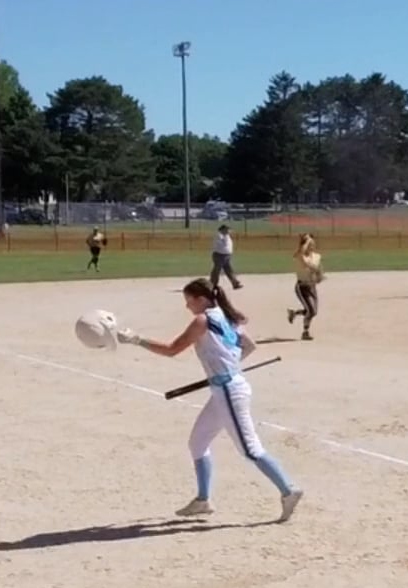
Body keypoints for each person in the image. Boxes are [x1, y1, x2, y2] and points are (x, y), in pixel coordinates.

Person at [117, 279, 304, 522]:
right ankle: (203, 500)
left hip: (228, 391)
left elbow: (172, 349)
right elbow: (249, 346)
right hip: (225, 388)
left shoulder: (202, 320)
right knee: (198, 443)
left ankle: (288, 490)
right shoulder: (227, 316)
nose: (187, 306)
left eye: (189, 301)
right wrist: (227, 366)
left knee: (250, 449)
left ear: (201, 299)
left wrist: (137, 339)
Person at [287, 233, 324, 340]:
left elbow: (319, 269)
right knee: (311, 311)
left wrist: (320, 277)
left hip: (312, 287)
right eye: (309, 243)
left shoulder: (317, 256)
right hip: (302, 287)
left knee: (313, 312)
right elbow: (304, 260)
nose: (311, 245)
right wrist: (306, 241)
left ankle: (294, 313)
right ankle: (305, 333)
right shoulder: (300, 255)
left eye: (312, 243)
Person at [210, 224, 243, 291]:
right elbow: (222, 243)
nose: (229, 231)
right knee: (216, 271)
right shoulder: (219, 235)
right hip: (219, 255)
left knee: (229, 270)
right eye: (227, 229)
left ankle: (235, 283)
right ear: (223, 230)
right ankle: (212, 285)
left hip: (226, 256)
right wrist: (225, 235)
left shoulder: (226, 236)